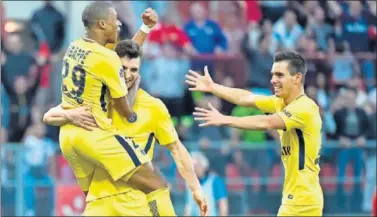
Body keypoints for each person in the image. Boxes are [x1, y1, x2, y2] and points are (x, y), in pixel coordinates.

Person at [48, 1, 195, 216]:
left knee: (97, 196)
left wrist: (145, 29)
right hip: (93, 134)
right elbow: (125, 109)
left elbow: (125, 55)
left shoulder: (75, 47)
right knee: (157, 183)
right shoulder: (106, 59)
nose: (118, 24)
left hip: (68, 137)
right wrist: (134, 98)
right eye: (114, 20)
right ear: (101, 24)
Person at [186, 51, 324, 216]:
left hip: (304, 201)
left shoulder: (304, 108)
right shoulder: (281, 103)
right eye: (273, 75)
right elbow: (247, 98)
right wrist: (213, 87)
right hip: (293, 198)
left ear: (297, 78)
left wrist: (225, 119)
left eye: (280, 75)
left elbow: (268, 122)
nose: (273, 80)